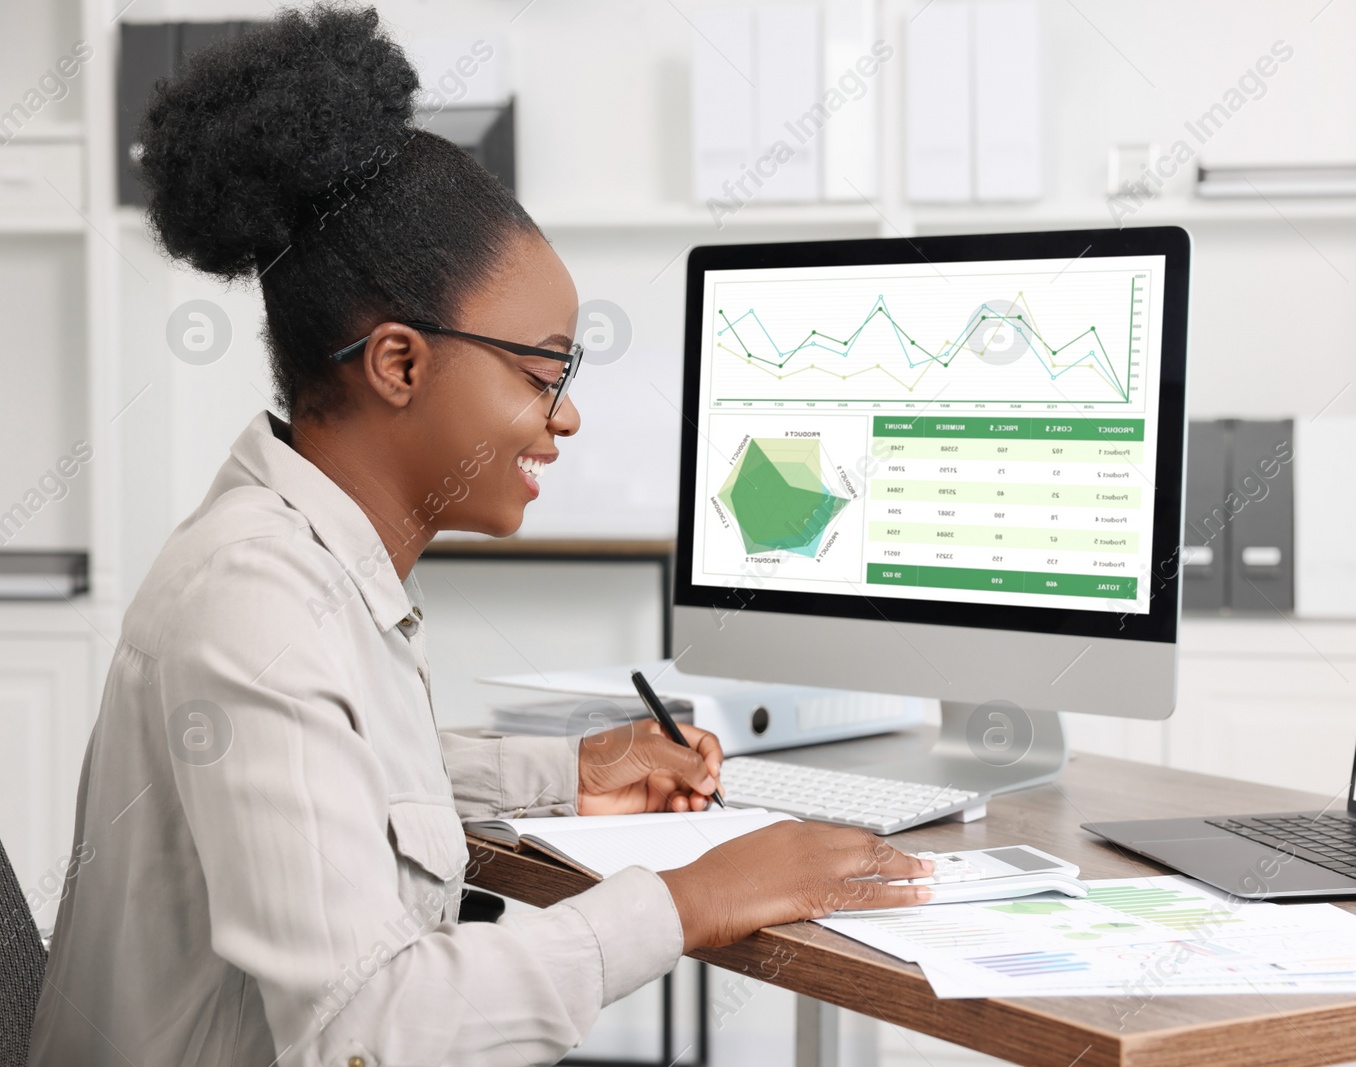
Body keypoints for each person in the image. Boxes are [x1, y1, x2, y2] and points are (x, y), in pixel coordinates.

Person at [27, 7, 932, 1065]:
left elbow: (339, 786)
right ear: (401, 364)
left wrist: (569, 773)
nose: (566, 414)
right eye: (542, 371)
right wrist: (687, 898)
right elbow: (367, 1028)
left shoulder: (299, 564)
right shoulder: (254, 605)